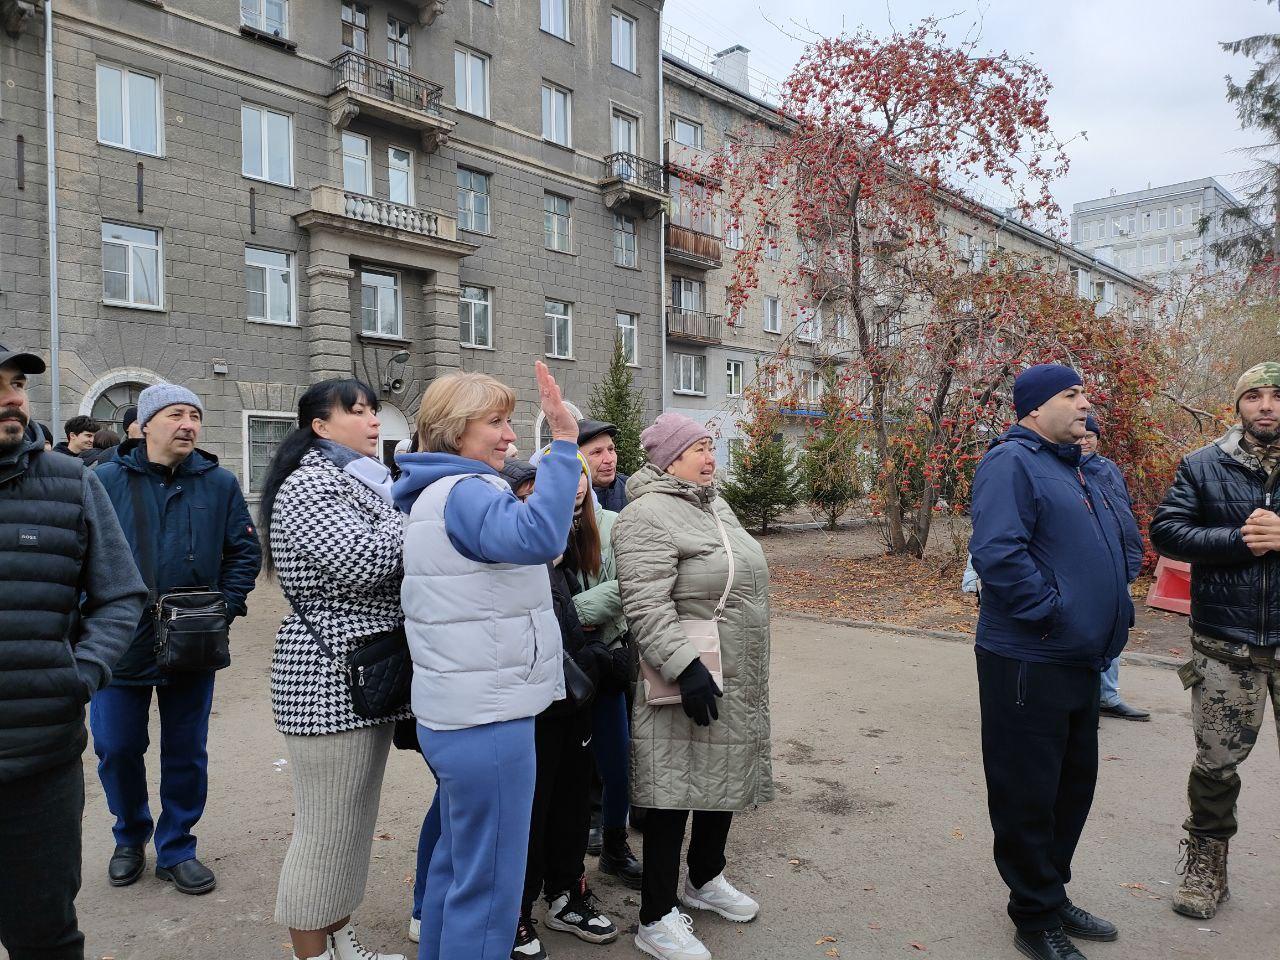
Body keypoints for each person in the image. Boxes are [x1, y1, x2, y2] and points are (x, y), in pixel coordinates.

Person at [394, 363, 580, 960]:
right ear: (454, 432)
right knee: (491, 889)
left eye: (508, 421)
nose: (508, 435)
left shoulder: (435, 492)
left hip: (460, 712)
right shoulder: (469, 491)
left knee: (457, 870)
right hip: (488, 718)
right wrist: (564, 444)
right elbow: (540, 538)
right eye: (494, 422)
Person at [969, 364, 1133, 960]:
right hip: (1027, 658)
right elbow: (997, 553)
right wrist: (1055, 613)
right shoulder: (1011, 462)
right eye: (1073, 394)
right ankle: (1033, 916)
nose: (1086, 402)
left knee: (1072, 786)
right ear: (1036, 409)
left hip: (1078, 658)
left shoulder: (1077, 468)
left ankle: (1051, 889)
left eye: (1085, 391)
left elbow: (1117, 540)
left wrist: (1109, 609)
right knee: (1027, 790)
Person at [0, 345, 147, 960]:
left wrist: (79, 674)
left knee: (46, 937)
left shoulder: (70, 482)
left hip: (39, 764)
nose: (12, 397)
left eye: (16, 384)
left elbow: (120, 594)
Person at [612, 412, 773, 960]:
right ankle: (655, 917)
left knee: (721, 773)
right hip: (687, 671)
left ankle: (704, 879)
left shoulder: (714, 504)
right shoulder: (645, 514)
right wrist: (685, 665)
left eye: (711, 446)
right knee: (671, 787)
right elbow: (644, 601)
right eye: (699, 448)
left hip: (736, 669)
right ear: (668, 459)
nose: (710, 457)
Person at [91, 383, 262, 896]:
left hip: (194, 640)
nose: (188, 424)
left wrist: (222, 611)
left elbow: (243, 554)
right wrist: (90, 621)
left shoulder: (220, 483)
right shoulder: (101, 480)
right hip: (120, 640)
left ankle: (177, 847)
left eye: (194, 415)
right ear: (144, 424)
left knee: (186, 750)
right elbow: (82, 555)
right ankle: (129, 837)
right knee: (117, 746)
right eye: (174, 414)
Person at [261, 379, 410, 960]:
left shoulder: (361, 480)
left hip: (364, 675)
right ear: (319, 427)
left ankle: (341, 942)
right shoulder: (310, 483)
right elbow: (362, 563)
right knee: (324, 833)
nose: (373, 420)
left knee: (352, 827)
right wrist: (410, 504)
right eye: (357, 411)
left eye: (374, 409)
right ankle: (311, 954)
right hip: (325, 677)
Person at [1150, 360, 1280, 921]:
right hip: (1227, 644)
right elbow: (1168, 530)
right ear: (1238, 406)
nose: (1267, 406)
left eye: (1277, 396)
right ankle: (1207, 868)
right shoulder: (1203, 465)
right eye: (1255, 396)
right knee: (1216, 764)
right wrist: (1238, 540)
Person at [503, 456, 620, 960]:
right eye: (526, 502)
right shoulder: (506, 564)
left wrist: (593, 663)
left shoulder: (563, 554)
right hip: (529, 708)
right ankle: (516, 912)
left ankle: (566, 894)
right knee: (532, 810)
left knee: (573, 801)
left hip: (572, 705)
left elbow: (570, 624)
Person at [1078, 415, 1148, 721]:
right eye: (1080, 435)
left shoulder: (1108, 468)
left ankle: (1107, 696)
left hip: (1120, 562)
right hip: (1088, 567)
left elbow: (1124, 515)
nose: (1085, 441)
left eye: (1090, 436)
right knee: (1086, 633)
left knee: (1115, 630)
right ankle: (1084, 701)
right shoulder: (1064, 468)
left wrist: (1132, 558)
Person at [578, 419, 629, 513]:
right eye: (597, 452)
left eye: (611, 449)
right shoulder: (566, 498)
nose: (609, 460)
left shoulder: (633, 490)